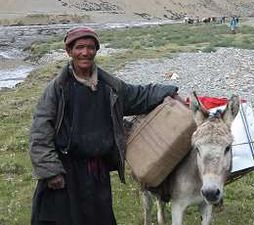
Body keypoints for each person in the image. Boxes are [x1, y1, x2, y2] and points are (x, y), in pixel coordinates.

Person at [29, 26, 179, 225]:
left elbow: (139, 95)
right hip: (65, 172)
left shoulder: (110, 86)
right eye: (79, 47)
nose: (85, 52)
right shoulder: (57, 89)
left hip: (96, 172)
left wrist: (170, 91)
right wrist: (50, 171)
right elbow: (40, 131)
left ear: (96, 50)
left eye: (90, 47)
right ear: (69, 52)